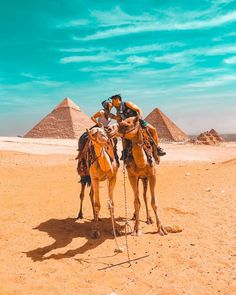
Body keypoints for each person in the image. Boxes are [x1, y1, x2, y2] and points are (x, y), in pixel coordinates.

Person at [110, 94, 166, 158]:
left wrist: (140, 118)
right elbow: (118, 118)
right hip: (127, 126)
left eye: (113, 101)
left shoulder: (127, 104)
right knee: (122, 135)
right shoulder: (118, 111)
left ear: (117, 99)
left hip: (136, 122)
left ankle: (157, 149)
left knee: (153, 130)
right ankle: (125, 151)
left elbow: (139, 110)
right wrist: (108, 114)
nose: (112, 103)